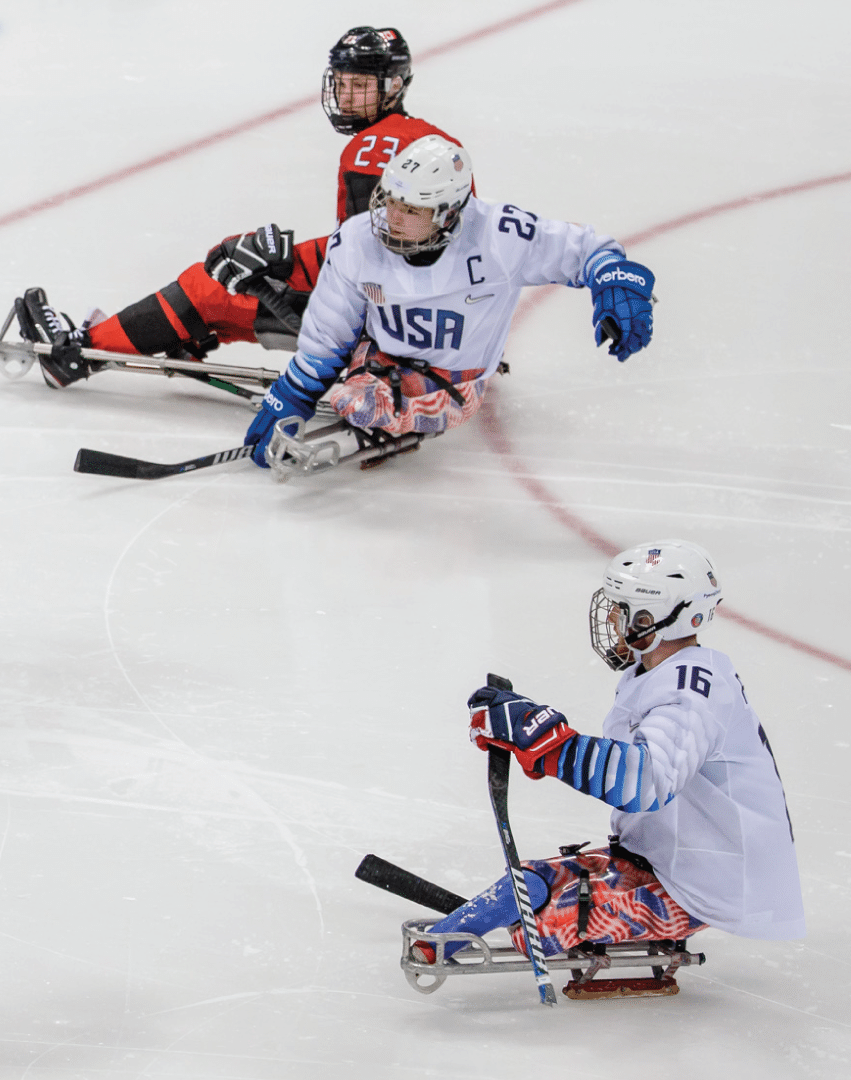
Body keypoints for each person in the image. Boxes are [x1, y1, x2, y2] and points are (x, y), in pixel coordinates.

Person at [422, 540, 803, 964]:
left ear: (651, 619)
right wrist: (530, 727)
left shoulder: (692, 691)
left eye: (621, 610)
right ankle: (441, 938)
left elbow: (644, 783)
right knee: (530, 883)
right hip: (667, 858)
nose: (611, 619)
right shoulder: (660, 673)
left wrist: (548, 744)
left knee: (543, 928)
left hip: (710, 884)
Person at [18, 26, 464, 386]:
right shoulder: (440, 143)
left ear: (394, 86)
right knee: (247, 288)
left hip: (383, 328)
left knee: (211, 286)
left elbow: (371, 255)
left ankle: (76, 353)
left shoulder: (373, 146)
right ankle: (185, 333)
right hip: (439, 321)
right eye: (343, 84)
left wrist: (284, 260)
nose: (347, 97)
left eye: (361, 86)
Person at [243, 133, 655, 467]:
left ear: (448, 212)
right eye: (389, 201)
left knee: (359, 404)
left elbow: (587, 250)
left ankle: (389, 408)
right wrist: (294, 390)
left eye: (411, 210)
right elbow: (331, 326)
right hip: (378, 357)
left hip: (456, 378)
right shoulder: (356, 239)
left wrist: (613, 281)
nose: (391, 217)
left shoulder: (500, 235)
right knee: (351, 389)